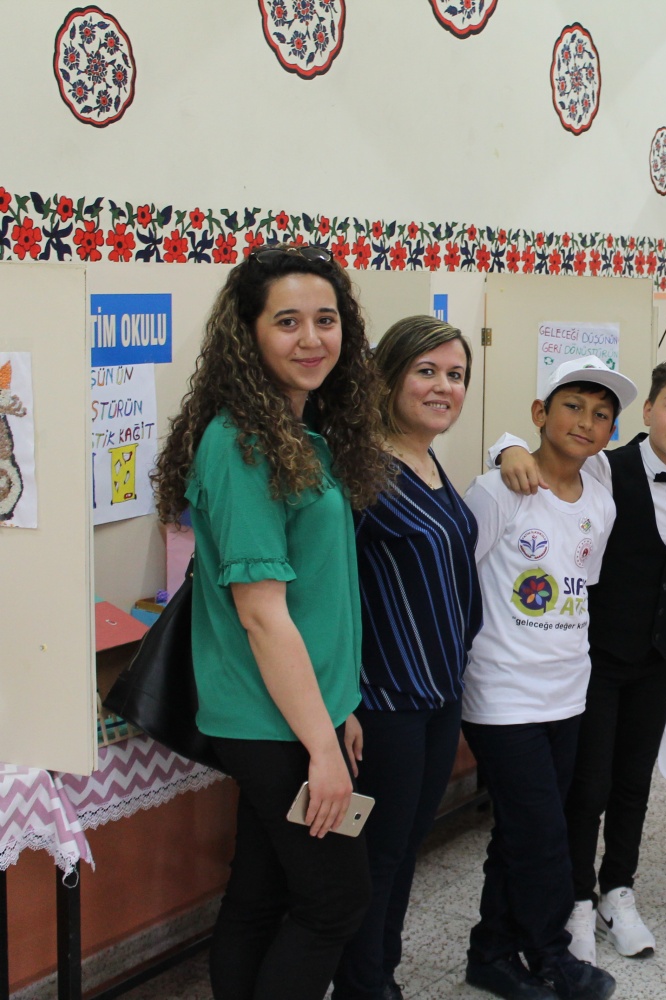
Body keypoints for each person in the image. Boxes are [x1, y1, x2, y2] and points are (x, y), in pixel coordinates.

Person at [152, 244, 389, 1000]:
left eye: (326, 319)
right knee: (335, 900)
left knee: (260, 894)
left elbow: (319, 599)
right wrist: (320, 745)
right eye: (287, 322)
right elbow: (262, 616)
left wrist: (338, 705)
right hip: (269, 720)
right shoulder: (242, 443)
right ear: (247, 333)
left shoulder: (299, 433)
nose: (312, 338)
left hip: (298, 710)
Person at [490, 357, 666, 962]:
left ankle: (617, 891)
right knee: (586, 786)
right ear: (645, 413)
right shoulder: (602, 463)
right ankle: (574, 901)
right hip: (590, 657)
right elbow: (533, 447)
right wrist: (506, 447)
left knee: (633, 785)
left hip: (653, 657)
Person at [461, 356, 634, 1000]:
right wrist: (505, 448)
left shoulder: (600, 494)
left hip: (568, 690)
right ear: (539, 413)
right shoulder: (498, 489)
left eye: (601, 414)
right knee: (542, 839)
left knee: (523, 833)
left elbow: (579, 586)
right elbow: (461, 581)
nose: (586, 422)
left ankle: (492, 952)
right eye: (572, 406)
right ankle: (552, 957)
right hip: (503, 695)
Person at [333, 317, 481, 1000]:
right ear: (388, 376)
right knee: (376, 858)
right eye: (426, 371)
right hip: (383, 701)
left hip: (437, 695)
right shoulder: (358, 472)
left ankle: (379, 973)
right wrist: (341, 703)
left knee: (402, 852)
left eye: (455, 375)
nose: (443, 387)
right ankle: (366, 985)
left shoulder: (428, 459)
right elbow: (325, 597)